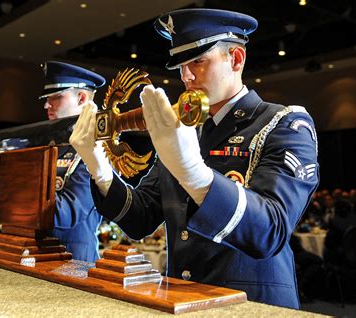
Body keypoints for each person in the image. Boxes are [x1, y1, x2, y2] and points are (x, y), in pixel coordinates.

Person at [70, 9, 319, 308]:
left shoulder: (282, 123)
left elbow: (271, 229)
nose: (186, 76)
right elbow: (140, 218)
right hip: (181, 299)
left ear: (236, 59)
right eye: (181, 65)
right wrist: (99, 168)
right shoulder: (188, 131)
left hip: (252, 305)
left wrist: (196, 175)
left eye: (198, 61)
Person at [0, 61, 104, 262]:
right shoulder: (42, 142)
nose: (47, 105)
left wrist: (9, 176)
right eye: (47, 98)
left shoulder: (95, 151)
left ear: (81, 97)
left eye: (56, 97)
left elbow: (63, 215)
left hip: (72, 263)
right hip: (31, 255)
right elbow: (14, 207)